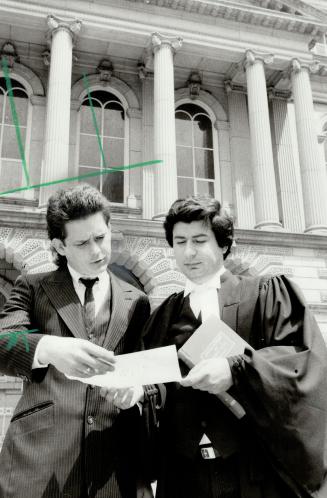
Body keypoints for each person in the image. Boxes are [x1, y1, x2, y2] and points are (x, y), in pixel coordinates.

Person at [141, 197, 327, 498]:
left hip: (253, 475)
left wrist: (236, 369)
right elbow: (156, 390)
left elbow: (302, 361)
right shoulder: (163, 317)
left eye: (200, 240)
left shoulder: (264, 293)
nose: (189, 252)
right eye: (180, 242)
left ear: (224, 245)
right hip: (184, 480)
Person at [0, 184, 152, 498]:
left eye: (101, 237)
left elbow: (146, 373)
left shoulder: (138, 301)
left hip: (112, 472)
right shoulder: (32, 287)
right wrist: (50, 348)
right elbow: (4, 341)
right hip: (38, 465)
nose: (97, 251)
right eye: (82, 243)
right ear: (60, 246)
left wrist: (136, 390)